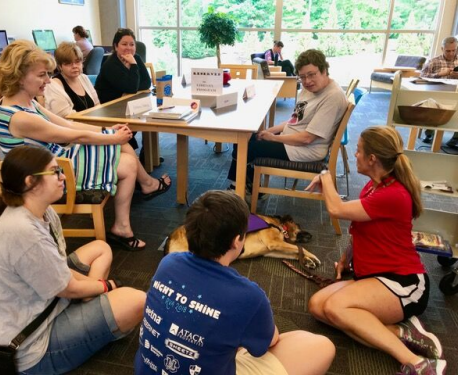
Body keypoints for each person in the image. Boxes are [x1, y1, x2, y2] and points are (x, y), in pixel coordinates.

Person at [0, 145, 146, 373]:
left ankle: (91, 307)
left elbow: (61, 272)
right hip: (28, 345)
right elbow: (67, 287)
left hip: (42, 302)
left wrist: (94, 289)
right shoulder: (24, 232)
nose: (63, 177)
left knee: (101, 248)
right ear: (30, 182)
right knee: (137, 300)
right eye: (55, 172)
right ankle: (94, 311)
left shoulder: (42, 211)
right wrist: (104, 286)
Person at [0, 40, 171, 251]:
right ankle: (124, 222)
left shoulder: (24, 103)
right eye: (42, 75)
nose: (48, 81)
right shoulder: (22, 117)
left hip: (52, 161)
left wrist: (109, 131)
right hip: (45, 175)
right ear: (19, 77)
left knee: (125, 154)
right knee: (128, 162)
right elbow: (73, 136)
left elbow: (68, 124)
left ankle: (133, 207)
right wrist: (111, 137)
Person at [134, 190, 335, 375]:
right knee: (321, 346)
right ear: (237, 241)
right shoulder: (249, 296)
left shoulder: (167, 263)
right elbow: (268, 342)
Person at [305, 126, 446, 375]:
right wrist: (346, 258)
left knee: (336, 308)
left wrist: (326, 175)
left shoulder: (394, 194)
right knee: (318, 306)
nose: (355, 155)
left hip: (405, 283)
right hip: (375, 276)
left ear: (372, 159)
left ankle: (417, 362)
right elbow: (361, 230)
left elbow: (336, 209)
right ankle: (401, 332)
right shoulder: (373, 187)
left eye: (358, 151)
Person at [227, 49, 348, 190]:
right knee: (245, 138)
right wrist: (267, 132)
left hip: (306, 149)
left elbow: (307, 138)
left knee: (247, 147)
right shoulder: (309, 89)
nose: (307, 81)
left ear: (324, 70)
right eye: (302, 77)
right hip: (293, 139)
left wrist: (273, 138)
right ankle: (247, 186)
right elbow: (294, 120)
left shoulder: (332, 97)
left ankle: (237, 189)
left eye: (311, 74)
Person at [95, 28, 152, 151]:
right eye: (124, 44)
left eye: (132, 44)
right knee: (138, 121)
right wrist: (133, 65)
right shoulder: (110, 64)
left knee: (147, 117)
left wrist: (132, 83)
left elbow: (146, 83)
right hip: (110, 108)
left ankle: (147, 154)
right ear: (116, 46)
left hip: (125, 104)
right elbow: (132, 88)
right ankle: (136, 152)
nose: (129, 48)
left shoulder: (135, 57)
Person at [420, 36, 458, 148]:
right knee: (434, 106)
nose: (451, 53)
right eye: (448, 51)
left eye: (454, 50)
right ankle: (429, 133)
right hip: (438, 94)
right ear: (442, 49)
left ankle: (455, 138)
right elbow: (422, 76)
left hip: (456, 94)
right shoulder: (434, 61)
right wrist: (440, 74)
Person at [45, 42, 99, 117]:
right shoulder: (53, 85)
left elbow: (97, 105)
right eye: (68, 63)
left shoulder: (83, 77)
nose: (74, 66)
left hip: (92, 124)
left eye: (77, 62)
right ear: (60, 66)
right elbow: (66, 117)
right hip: (72, 127)